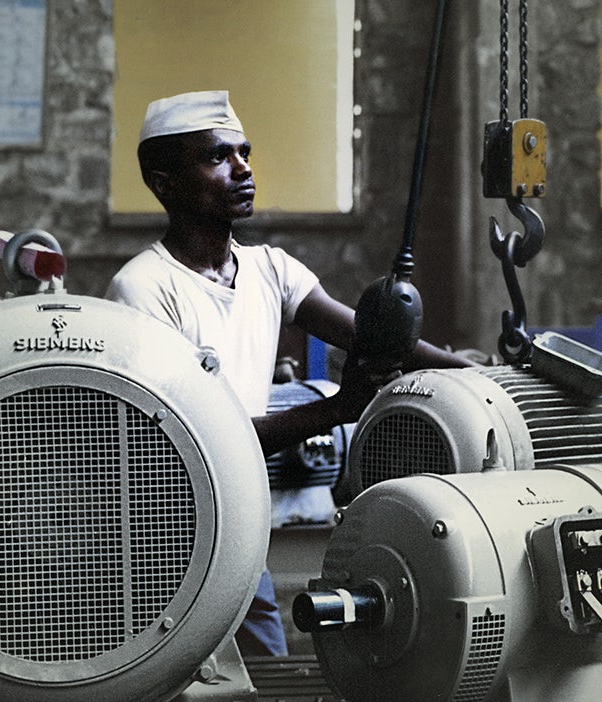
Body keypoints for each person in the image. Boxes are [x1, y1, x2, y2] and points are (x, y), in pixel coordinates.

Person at [105, 90, 472, 657]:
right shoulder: (145, 290)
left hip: (238, 529)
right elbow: (196, 445)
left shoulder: (270, 270)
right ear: (164, 183)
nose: (242, 168)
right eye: (216, 157)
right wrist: (333, 411)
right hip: (165, 538)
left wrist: (478, 372)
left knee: (262, 674)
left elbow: (376, 338)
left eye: (243, 152)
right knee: (179, 688)